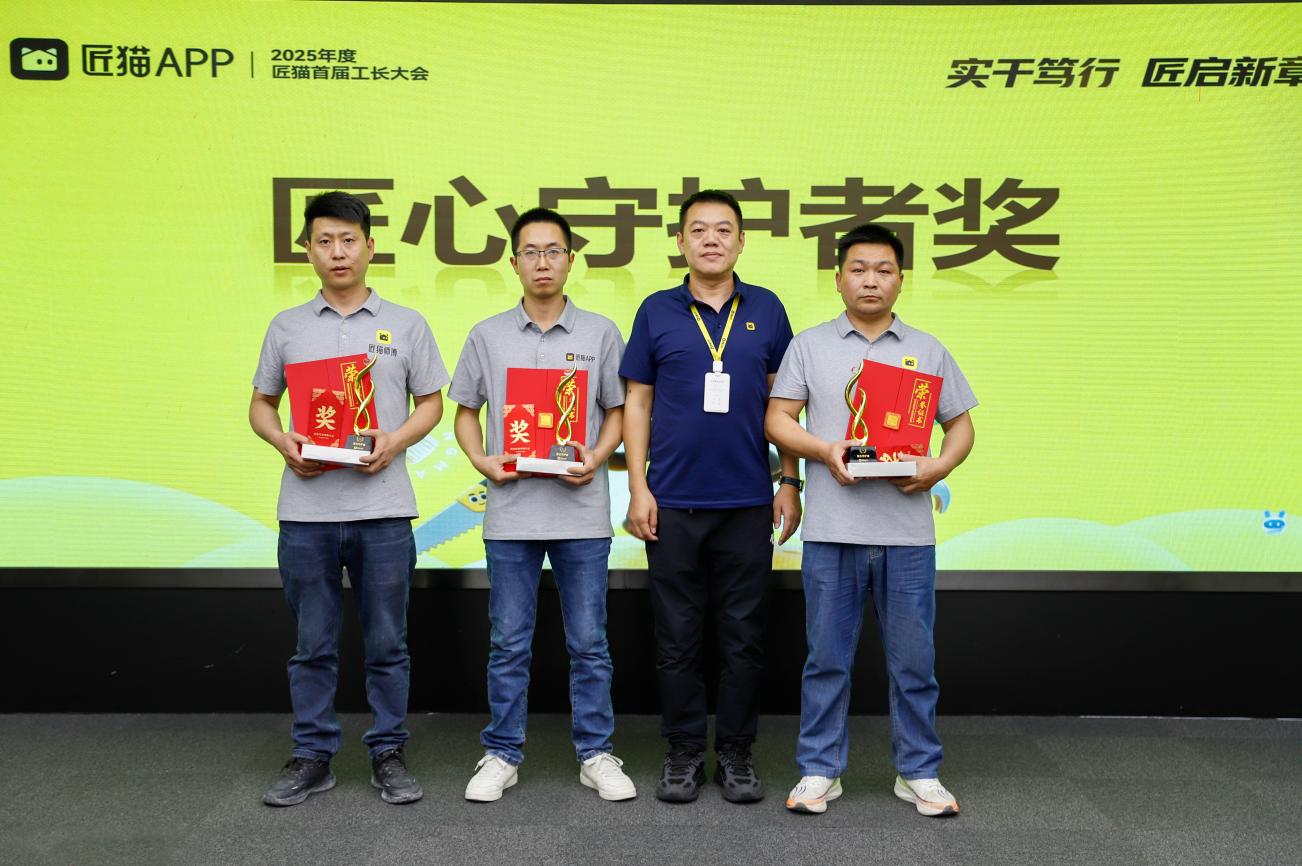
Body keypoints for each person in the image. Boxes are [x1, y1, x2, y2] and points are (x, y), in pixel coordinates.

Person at [765, 223, 977, 816]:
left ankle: (918, 771)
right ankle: (819, 769)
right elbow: (778, 419)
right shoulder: (809, 345)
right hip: (833, 531)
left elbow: (961, 425)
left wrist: (937, 467)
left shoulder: (927, 349)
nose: (870, 280)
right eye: (858, 269)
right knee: (826, 659)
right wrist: (823, 450)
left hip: (907, 533)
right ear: (838, 279)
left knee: (914, 662)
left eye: (883, 270)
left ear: (900, 280)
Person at [250, 191, 450, 806]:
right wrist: (283, 441)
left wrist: (395, 441)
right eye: (324, 241)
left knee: (388, 643)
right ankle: (313, 754)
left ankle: (388, 750)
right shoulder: (286, 326)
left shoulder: (407, 323)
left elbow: (432, 403)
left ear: (370, 247)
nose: (337, 252)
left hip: (383, 510)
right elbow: (261, 405)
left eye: (348, 240)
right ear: (307, 251)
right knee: (312, 645)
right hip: (306, 513)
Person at [620, 190, 802, 804]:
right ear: (680, 242)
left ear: (742, 242)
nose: (711, 240)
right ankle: (683, 751)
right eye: (698, 230)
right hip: (672, 501)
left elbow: (784, 407)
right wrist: (638, 486)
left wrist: (789, 481)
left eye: (724, 230)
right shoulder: (657, 310)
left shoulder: (768, 310)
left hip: (748, 501)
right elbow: (638, 402)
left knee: (743, 636)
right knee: (677, 636)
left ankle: (736, 752)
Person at [449, 208, 635, 802]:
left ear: (571, 260)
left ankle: (596, 753)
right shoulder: (487, 334)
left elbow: (617, 411)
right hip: (510, 513)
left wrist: (598, 456)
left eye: (553, 251)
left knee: (589, 643)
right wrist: (481, 461)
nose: (543, 262)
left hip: (581, 514)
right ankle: (502, 753)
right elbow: (465, 412)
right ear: (514, 263)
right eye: (531, 252)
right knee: (508, 642)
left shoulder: (600, 332)